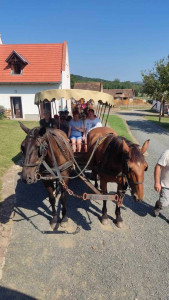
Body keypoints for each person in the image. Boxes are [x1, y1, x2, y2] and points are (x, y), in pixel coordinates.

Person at [154, 149, 169, 216]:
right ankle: (159, 205)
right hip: (166, 185)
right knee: (164, 203)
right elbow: (158, 167)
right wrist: (157, 182)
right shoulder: (167, 153)